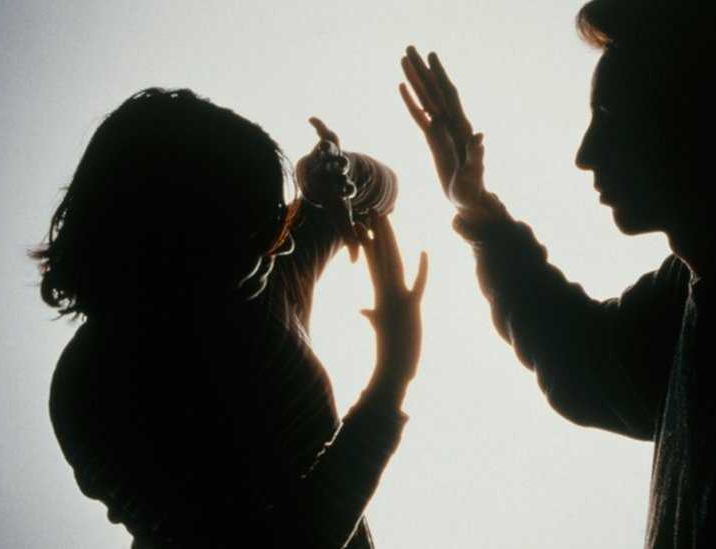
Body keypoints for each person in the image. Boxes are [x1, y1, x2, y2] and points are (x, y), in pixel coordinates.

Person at [399, 0, 716, 545]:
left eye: (611, 118)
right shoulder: (698, 287)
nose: (585, 154)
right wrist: (480, 211)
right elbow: (583, 359)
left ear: (699, 125)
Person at [34, 88, 427, 548]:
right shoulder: (92, 387)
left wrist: (331, 176)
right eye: (260, 227)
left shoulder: (265, 281)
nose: (284, 242)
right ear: (188, 238)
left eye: (279, 218)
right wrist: (392, 376)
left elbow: (378, 196)